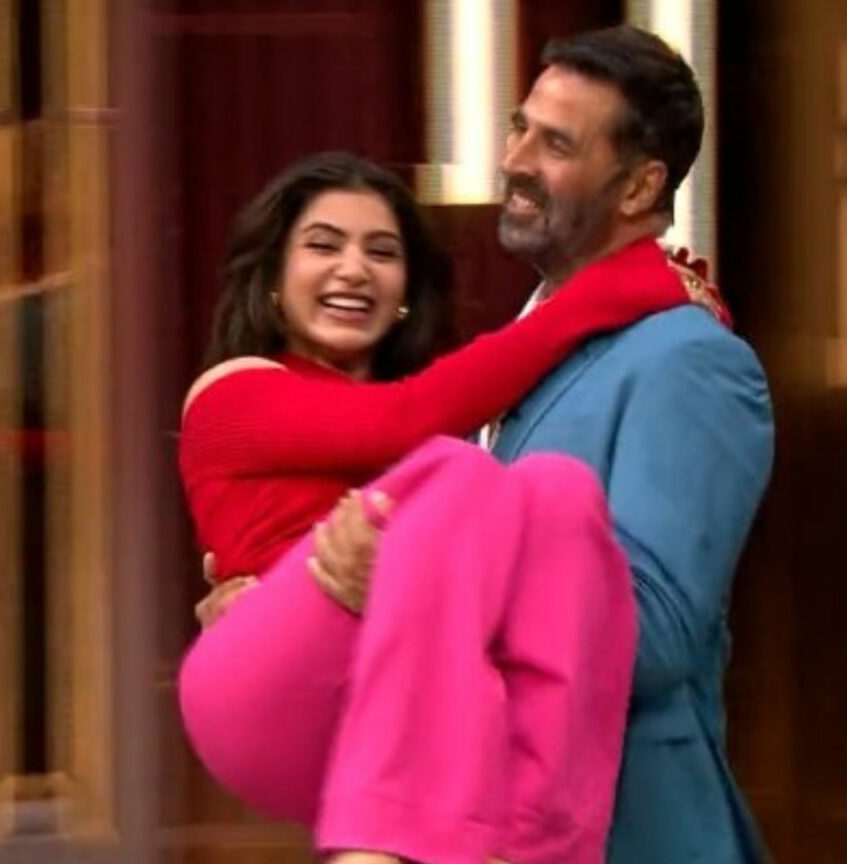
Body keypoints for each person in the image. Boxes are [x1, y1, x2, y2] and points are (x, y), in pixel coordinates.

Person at [313, 27, 775, 863]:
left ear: (641, 185)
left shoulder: (691, 362)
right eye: (519, 127)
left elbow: (653, 637)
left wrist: (417, 582)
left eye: (556, 144)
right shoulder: (525, 346)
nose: (515, 160)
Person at [175, 151, 709, 864]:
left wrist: (405, 580)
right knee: (460, 473)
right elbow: (409, 419)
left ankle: (539, 846)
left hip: (396, 701)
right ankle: (378, 847)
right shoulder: (234, 388)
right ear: (272, 277)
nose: (354, 269)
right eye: (323, 246)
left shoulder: (432, 451)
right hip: (264, 692)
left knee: (560, 492)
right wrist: (623, 286)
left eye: (381, 252)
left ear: (405, 293)